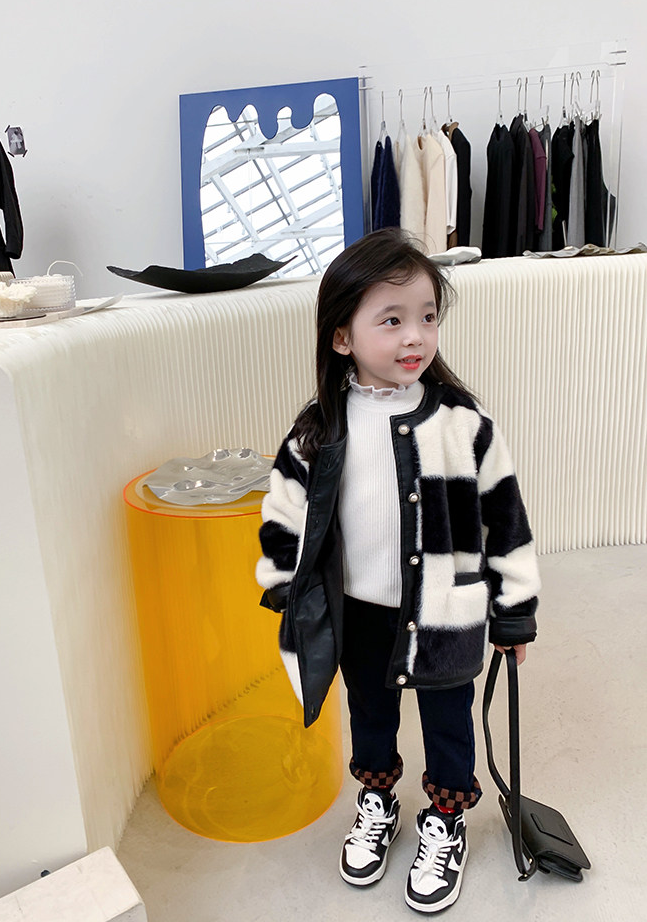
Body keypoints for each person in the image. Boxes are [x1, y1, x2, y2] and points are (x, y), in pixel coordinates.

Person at [256, 228, 539, 913]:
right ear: (341, 337)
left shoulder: (464, 423)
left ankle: (446, 818)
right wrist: (282, 583)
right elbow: (284, 509)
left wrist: (514, 612)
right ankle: (378, 800)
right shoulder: (320, 429)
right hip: (359, 613)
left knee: (448, 719)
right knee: (371, 715)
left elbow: (506, 518)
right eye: (391, 320)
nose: (415, 336)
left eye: (427, 317)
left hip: (448, 610)